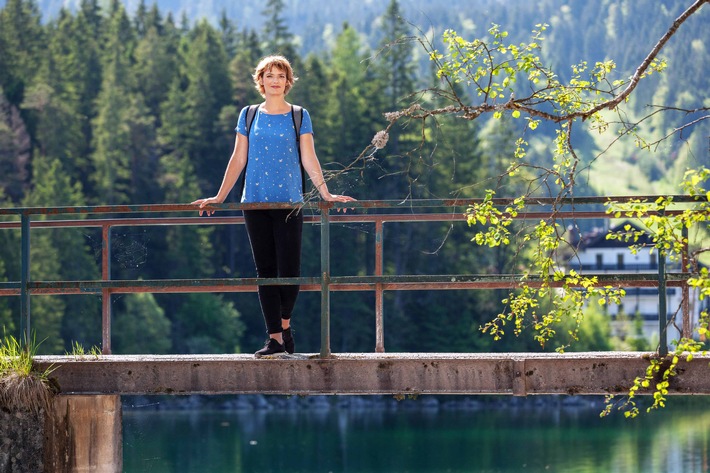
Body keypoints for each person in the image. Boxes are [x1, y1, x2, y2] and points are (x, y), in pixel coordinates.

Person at [192, 55, 356, 357]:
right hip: (254, 203)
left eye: (281, 75)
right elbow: (238, 158)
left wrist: (326, 194)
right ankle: (275, 339)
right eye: (269, 75)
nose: (275, 80)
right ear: (261, 81)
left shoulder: (299, 115)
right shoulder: (249, 114)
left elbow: (309, 158)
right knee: (265, 272)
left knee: (289, 270)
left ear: (288, 81)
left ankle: (285, 324)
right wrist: (219, 197)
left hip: (290, 203)